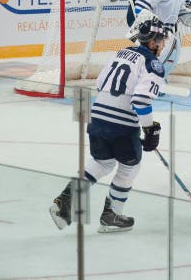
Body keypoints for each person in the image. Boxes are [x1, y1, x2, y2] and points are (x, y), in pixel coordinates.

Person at [49, 17, 167, 234]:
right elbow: (140, 101)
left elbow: (101, 83)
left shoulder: (121, 53)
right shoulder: (153, 64)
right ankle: (111, 214)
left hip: (98, 117)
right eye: (162, 40)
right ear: (153, 42)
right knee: (130, 166)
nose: (163, 44)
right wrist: (149, 129)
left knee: (103, 163)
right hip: (121, 125)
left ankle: (65, 201)